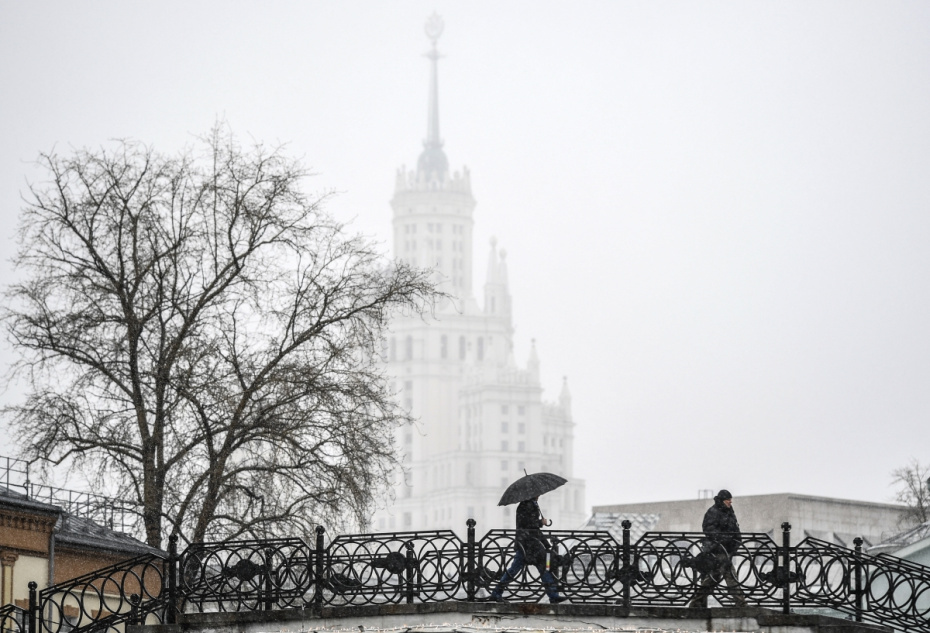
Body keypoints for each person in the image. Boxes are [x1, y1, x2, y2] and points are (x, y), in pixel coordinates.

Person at [489, 496, 567, 603]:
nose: (539, 495)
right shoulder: (526, 505)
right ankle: (496, 593)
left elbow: (534, 529)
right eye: (537, 494)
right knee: (514, 570)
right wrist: (541, 522)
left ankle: (553, 595)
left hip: (531, 545)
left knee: (543, 568)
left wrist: (546, 545)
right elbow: (527, 525)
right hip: (526, 545)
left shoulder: (530, 505)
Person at [687, 489, 748, 608]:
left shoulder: (728, 512)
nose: (730, 502)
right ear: (722, 501)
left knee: (713, 578)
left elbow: (735, 529)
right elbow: (709, 529)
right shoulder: (714, 512)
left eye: (731, 500)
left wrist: (736, 542)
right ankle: (741, 602)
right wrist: (723, 539)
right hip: (717, 550)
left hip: (725, 550)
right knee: (729, 573)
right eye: (728, 500)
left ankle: (696, 601)